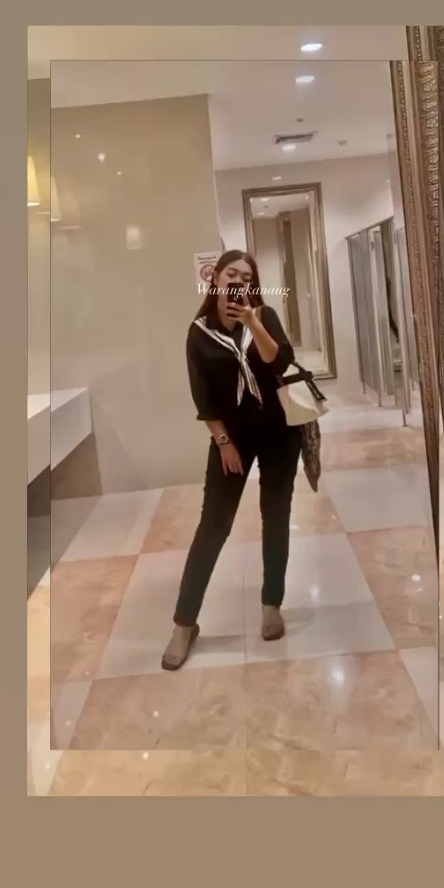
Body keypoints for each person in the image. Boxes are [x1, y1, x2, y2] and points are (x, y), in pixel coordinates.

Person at [161, 249, 302, 670]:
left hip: (279, 432)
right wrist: (223, 442)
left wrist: (254, 322)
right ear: (216, 278)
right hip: (232, 438)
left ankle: (271, 604)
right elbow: (202, 397)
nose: (239, 281)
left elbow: (280, 360)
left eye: (247, 276)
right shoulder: (199, 332)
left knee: (275, 517)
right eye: (231, 274)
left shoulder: (265, 315)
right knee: (213, 527)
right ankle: (184, 624)